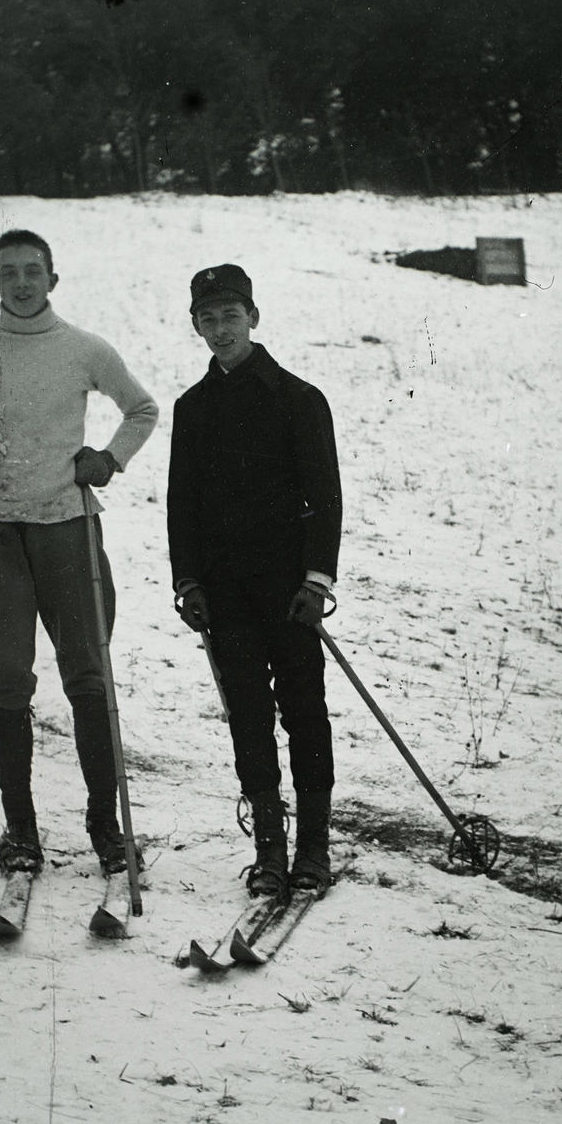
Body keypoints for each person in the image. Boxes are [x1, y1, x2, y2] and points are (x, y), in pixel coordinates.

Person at [0, 229, 159, 877]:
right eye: (9, 272)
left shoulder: (82, 349)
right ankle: (21, 831)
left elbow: (142, 408)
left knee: (87, 676)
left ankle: (105, 827)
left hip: (67, 529)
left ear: (53, 278)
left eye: (33, 271)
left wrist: (107, 459)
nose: (22, 282)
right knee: (11, 679)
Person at [167, 264, 343, 899]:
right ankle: (271, 848)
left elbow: (325, 499)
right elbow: (180, 504)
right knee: (246, 712)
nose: (221, 329)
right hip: (226, 594)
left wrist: (317, 580)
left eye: (230, 316)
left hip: (291, 590)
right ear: (196, 327)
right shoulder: (193, 408)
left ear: (253, 318)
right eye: (207, 319)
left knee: (304, 711)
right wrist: (187, 580)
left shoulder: (299, 399)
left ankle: (315, 849)